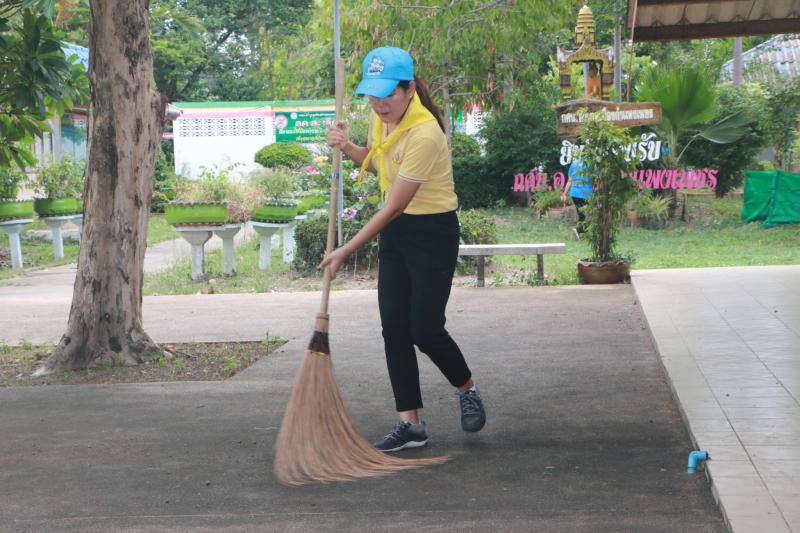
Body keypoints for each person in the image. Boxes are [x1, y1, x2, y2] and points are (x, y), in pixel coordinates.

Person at [322, 46, 486, 452]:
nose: (379, 104)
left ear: (410, 88)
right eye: (372, 95)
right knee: (394, 327)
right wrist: (348, 148)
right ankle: (410, 423)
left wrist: (345, 250)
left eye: (387, 95)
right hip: (398, 235)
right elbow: (380, 165)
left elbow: (395, 204)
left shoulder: (426, 132)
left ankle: (466, 388)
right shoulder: (384, 121)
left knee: (425, 329)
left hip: (432, 234)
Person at [562, 157, 592, 241]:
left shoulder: (574, 164)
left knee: (582, 215)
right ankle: (578, 230)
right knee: (590, 216)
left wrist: (565, 193)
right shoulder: (592, 164)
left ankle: (581, 235)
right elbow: (597, 179)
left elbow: (569, 181)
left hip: (574, 194)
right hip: (586, 194)